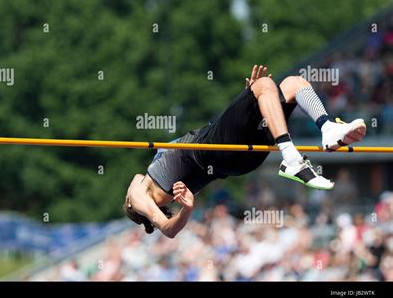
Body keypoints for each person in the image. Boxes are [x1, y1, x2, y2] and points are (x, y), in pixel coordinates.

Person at [124, 65, 366, 238]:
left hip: (238, 158)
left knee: (293, 85)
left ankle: (327, 127)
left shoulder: (146, 181)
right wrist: (186, 209)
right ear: (133, 208)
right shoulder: (139, 198)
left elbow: (137, 179)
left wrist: (253, 101)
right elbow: (168, 229)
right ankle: (292, 158)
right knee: (264, 85)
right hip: (209, 149)